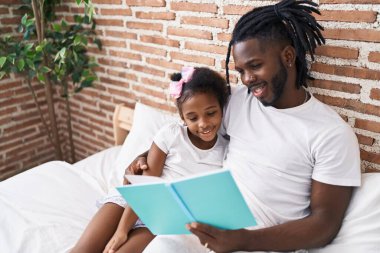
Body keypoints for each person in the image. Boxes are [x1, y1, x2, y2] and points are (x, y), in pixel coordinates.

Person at [127, 0, 361, 252]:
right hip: (208, 228)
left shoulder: (331, 133)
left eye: (255, 66)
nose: (248, 79)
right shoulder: (239, 101)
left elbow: (324, 224)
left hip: (263, 243)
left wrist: (242, 241)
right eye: (240, 71)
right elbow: (198, 135)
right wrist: (146, 156)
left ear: (288, 56)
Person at [71, 66, 229, 253]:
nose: (203, 123)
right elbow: (145, 185)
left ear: (221, 108)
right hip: (131, 202)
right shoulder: (171, 134)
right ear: (182, 118)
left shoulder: (226, 151)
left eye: (210, 113)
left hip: (159, 216)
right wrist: (121, 231)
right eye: (192, 117)